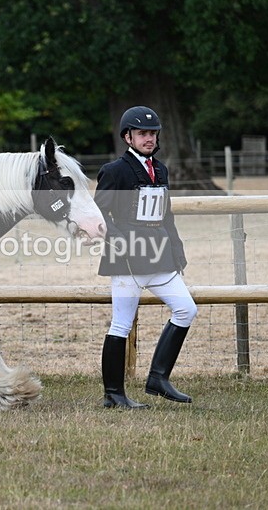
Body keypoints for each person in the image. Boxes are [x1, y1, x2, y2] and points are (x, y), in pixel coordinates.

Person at [94, 105, 198, 409]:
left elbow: (165, 215)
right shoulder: (114, 171)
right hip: (127, 259)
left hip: (159, 257)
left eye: (152, 133)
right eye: (142, 133)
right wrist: (119, 240)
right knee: (121, 324)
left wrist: (176, 250)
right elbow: (99, 212)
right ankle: (113, 393)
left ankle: (158, 378)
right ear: (128, 136)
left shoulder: (161, 169)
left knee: (186, 309)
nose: (149, 138)